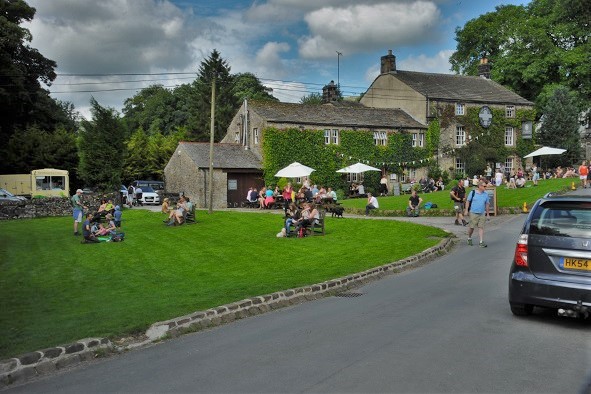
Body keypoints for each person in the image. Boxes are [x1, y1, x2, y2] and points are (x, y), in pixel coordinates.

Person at [465, 181, 490, 248]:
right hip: (473, 213)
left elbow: (487, 204)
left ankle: (481, 242)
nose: (486, 187)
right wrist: (466, 210)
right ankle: (469, 238)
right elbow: (468, 201)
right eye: (484, 186)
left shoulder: (486, 194)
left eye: (486, 186)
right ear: (480, 186)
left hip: (482, 213)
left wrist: (487, 214)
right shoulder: (472, 192)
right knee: (472, 227)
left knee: (481, 227)